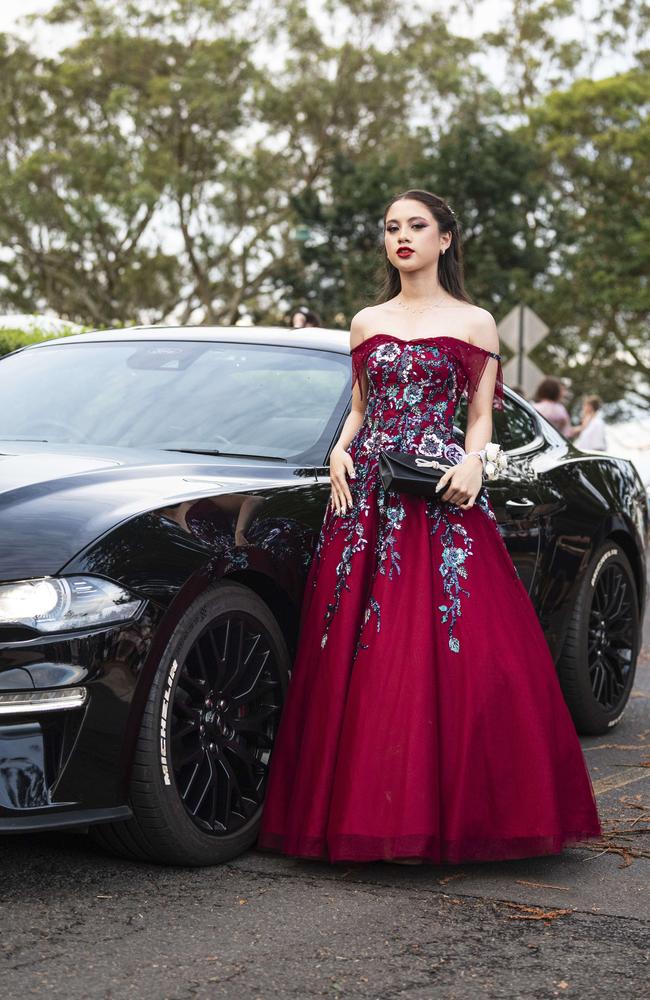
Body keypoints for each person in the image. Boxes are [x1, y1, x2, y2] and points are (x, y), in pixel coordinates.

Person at [257, 188, 602, 865]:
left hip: (441, 489)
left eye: (416, 226)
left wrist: (476, 460)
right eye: (391, 228)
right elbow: (359, 409)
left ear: (446, 239)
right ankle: (358, 811)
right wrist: (337, 448)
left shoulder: (475, 322)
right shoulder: (364, 321)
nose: (402, 237)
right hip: (364, 497)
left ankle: (449, 812)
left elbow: (480, 413)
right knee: (358, 649)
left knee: (456, 648)